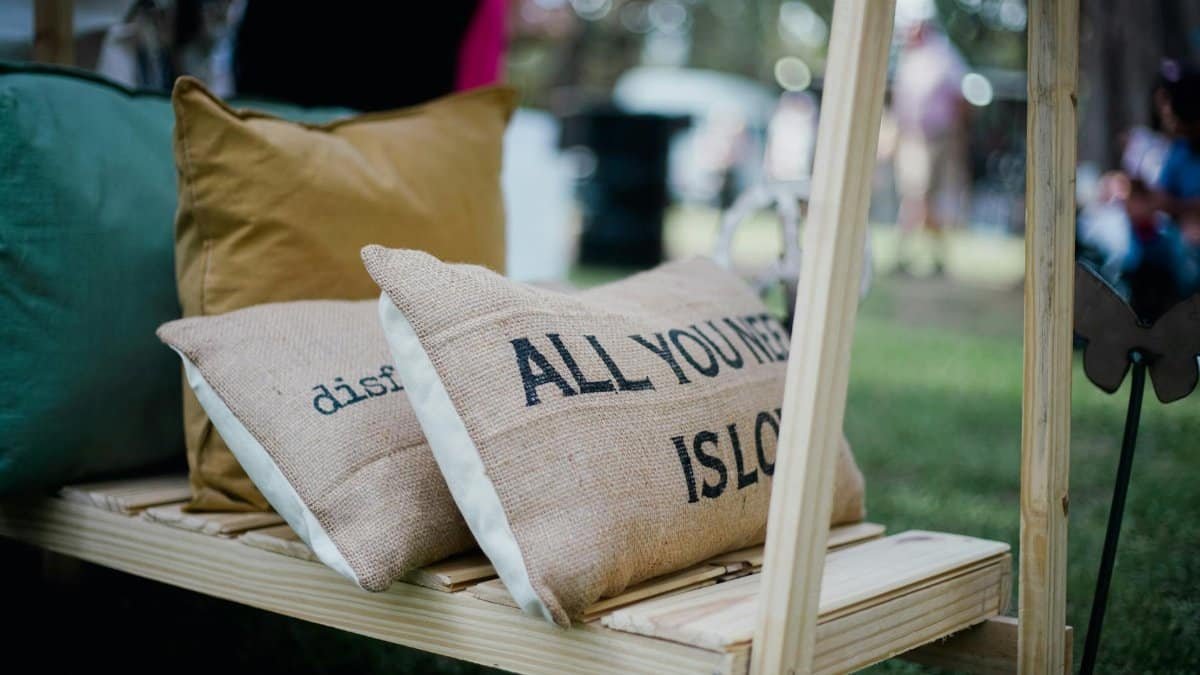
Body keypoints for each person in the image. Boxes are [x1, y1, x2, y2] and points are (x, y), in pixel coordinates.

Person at [891, 19, 970, 276]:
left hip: (936, 137)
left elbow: (960, 97)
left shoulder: (943, 55)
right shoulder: (907, 59)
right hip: (912, 137)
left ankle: (929, 257)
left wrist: (956, 135)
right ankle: (916, 256)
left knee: (926, 198)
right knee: (915, 195)